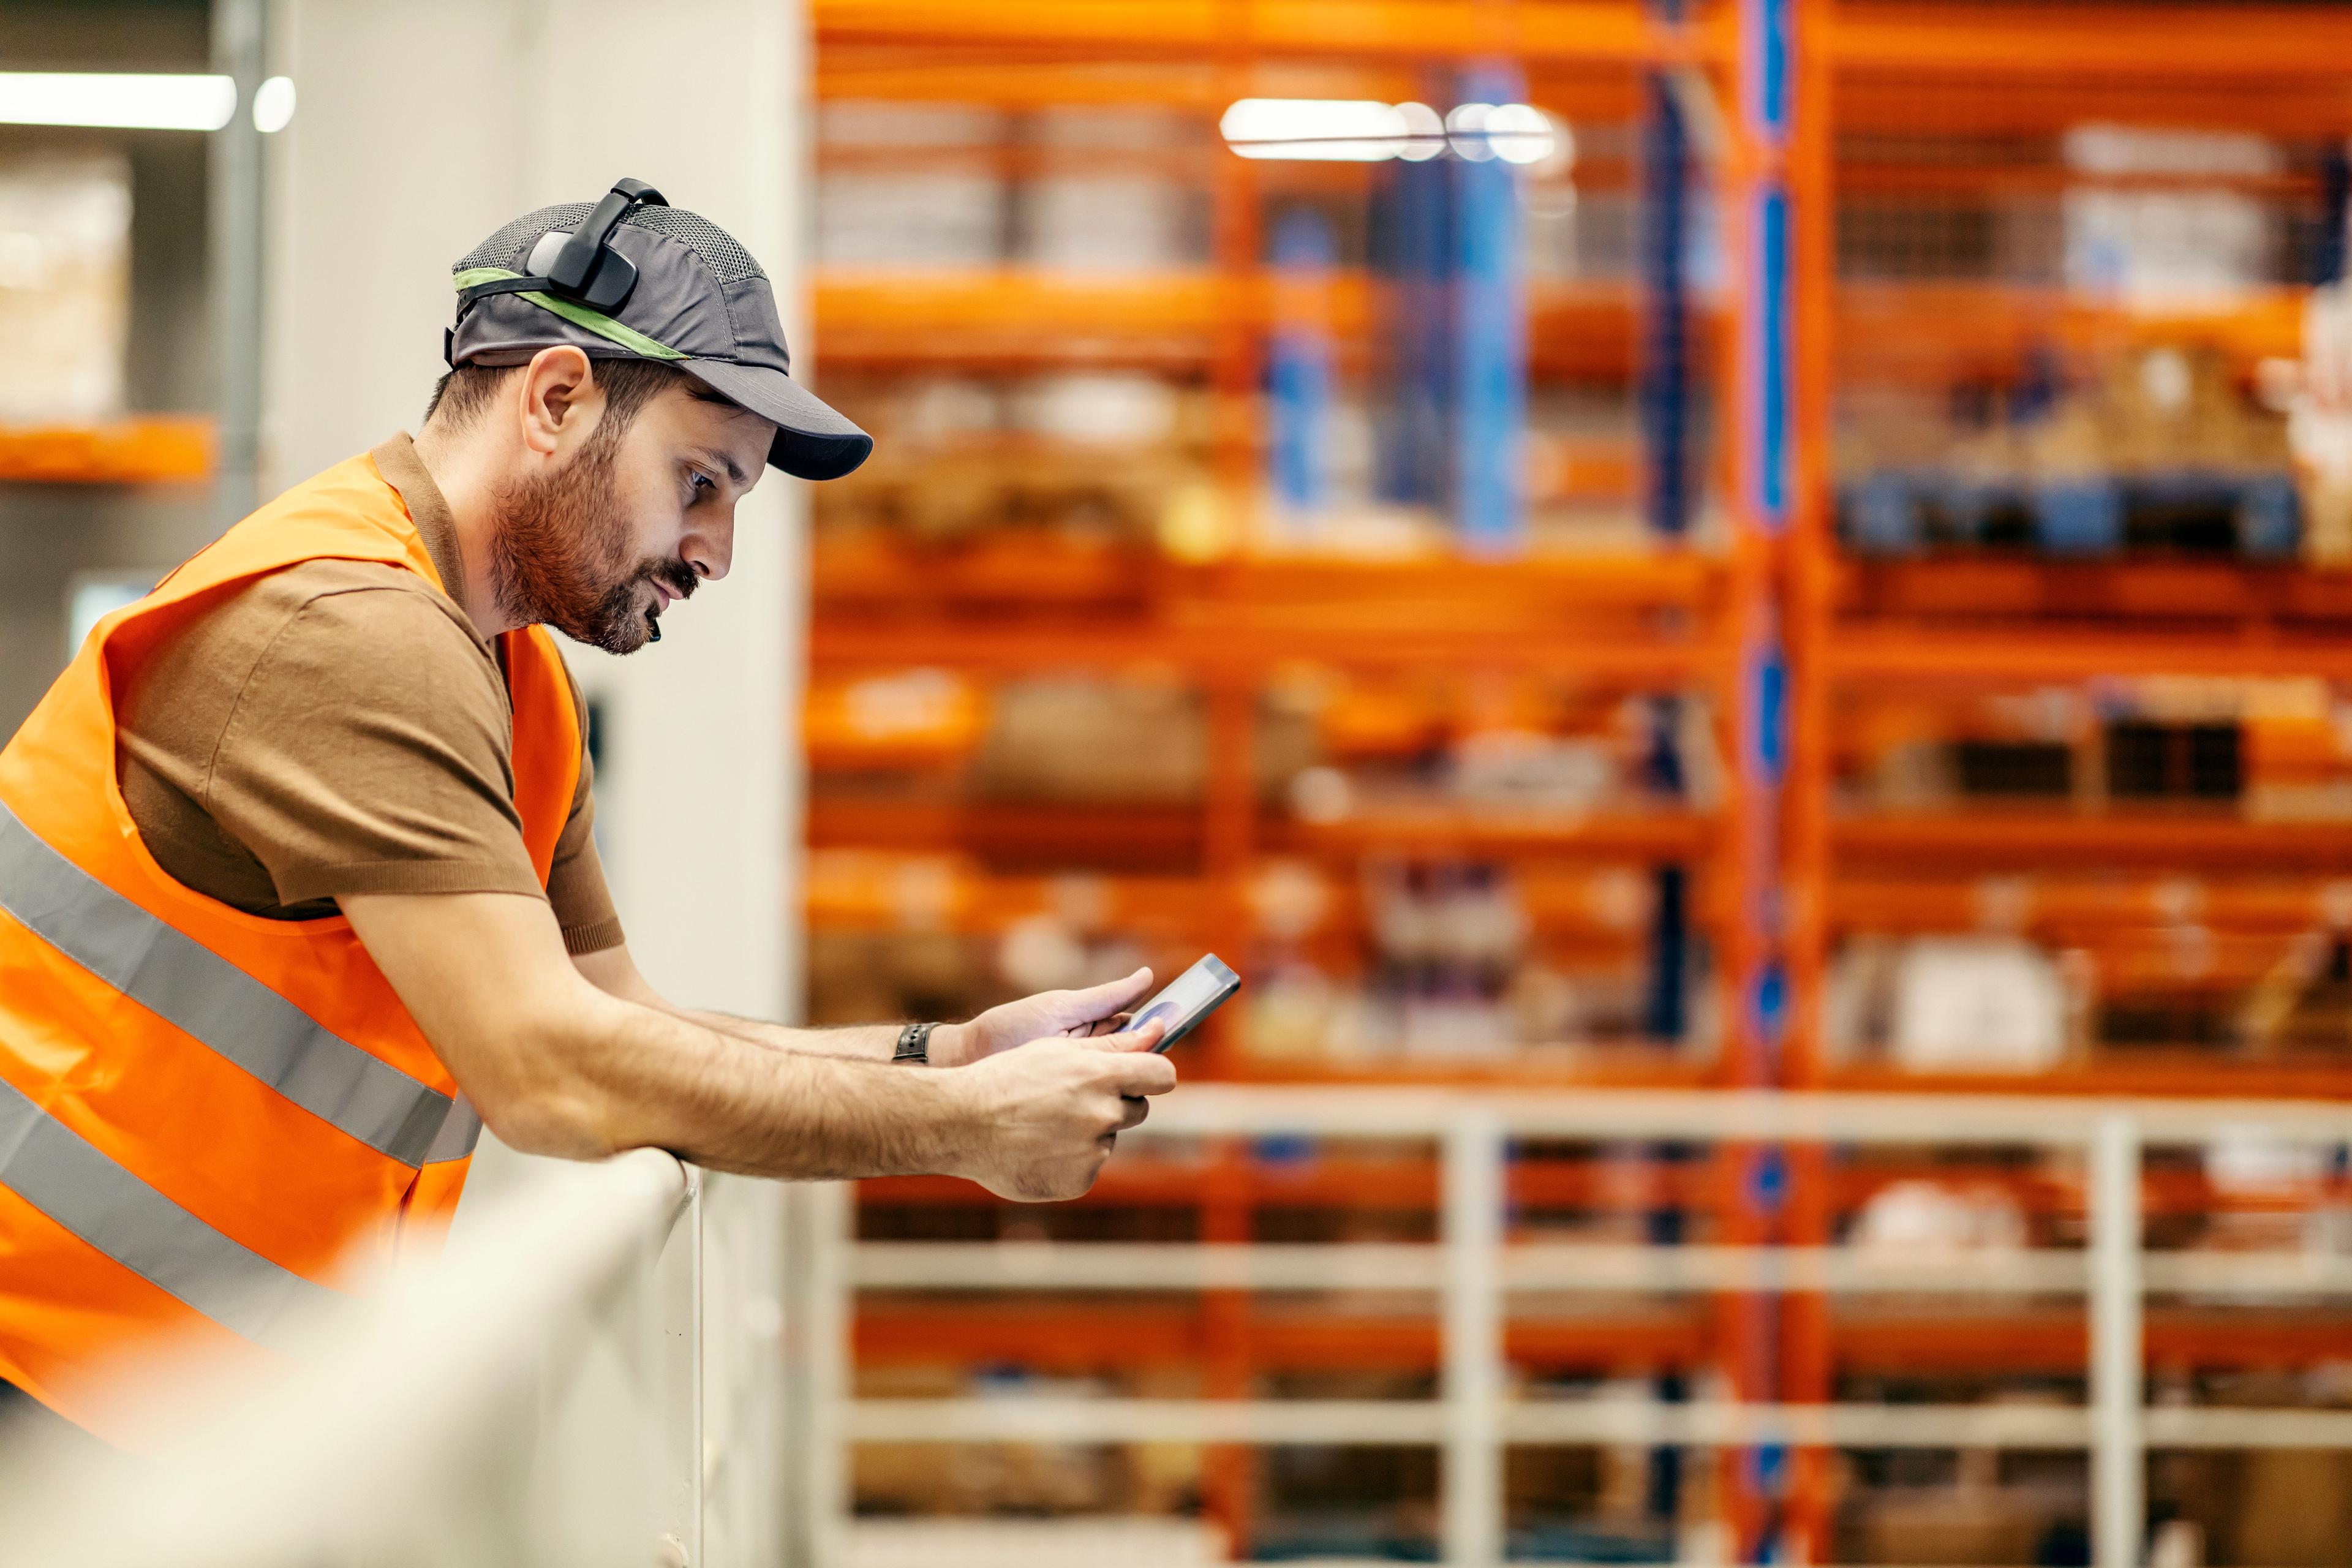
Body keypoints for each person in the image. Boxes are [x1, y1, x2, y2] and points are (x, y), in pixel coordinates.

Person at [0, 179, 1176, 1442]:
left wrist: (950, 1055)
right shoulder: (348, 630)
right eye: (702, 480)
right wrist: (960, 1129)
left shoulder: (512, 678)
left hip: (150, 1409)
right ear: (556, 400)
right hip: (39, 1370)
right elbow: (548, 1069)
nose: (716, 549)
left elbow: (617, 1020)